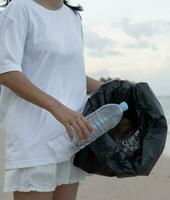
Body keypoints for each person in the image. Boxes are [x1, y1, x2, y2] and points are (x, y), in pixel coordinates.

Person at [0, 0, 103, 199]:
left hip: (72, 138)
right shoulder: (20, 9)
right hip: (34, 140)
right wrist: (57, 108)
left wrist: (118, 89)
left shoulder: (73, 17)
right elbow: (6, 72)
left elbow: (72, 74)